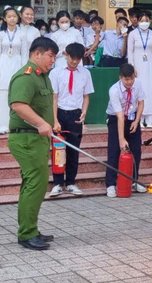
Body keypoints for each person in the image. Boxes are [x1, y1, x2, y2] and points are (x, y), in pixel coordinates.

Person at [7, 37, 58, 251]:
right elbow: (18, 105)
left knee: (35, 184)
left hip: (38, 138)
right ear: (37, 53)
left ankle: (31, 229)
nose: (53, 61)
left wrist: (53, 122)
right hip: (26, 137)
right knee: (35, 183)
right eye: (50, 55)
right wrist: (40, 123)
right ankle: (26, 234)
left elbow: (47, 102)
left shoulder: (43, 76)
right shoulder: (26, 77)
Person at [48, 43, 94, 196]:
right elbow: (53, 98)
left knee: (74, 150)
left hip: (75, 114)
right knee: (58, 150)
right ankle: (58, 183)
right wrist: (55, 120)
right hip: (60, 113)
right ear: (66, 54)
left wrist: (84, 113)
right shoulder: (56, 73)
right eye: (72, 58)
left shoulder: (85, 73)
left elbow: (86, 96)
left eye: (78, 59)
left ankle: (71, 182)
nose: (75, 62)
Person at [105, 64, 146, 198]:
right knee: (114, 150)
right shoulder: (114, 90)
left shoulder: (138, 84)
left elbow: (141, 103)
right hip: (116, 118)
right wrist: (122, 139)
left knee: (136, 150)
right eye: (126, 79)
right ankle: (111, 184)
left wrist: (136, 121)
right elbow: (120, 116)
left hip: (133, 117)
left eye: (131, 79)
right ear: (120, 78)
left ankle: (134, 179)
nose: (129, 82)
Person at [0, 7, 29, 135]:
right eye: (9, 16)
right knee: (2, 96)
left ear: (18, 17)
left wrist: (25, 71)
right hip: (3, 65)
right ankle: (2, 126)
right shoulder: (1, 35)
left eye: (14, 16)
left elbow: (25, 54)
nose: (12, 18)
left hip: (17, 64)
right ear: (4, 19)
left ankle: (15, 125)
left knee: (16, 96)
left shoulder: (22, 34)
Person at [126, 11, 152, 127]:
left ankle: (150, 119)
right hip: (137, 65)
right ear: (137, 21)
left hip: (149, 65)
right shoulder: (133, 34)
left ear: (150, 21)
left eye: (146, 21)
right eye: (141, 21)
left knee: (150, 90)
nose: (144, 23)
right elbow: (130, 52)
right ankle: (138, 119)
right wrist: (132, 67)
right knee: (138, 89)